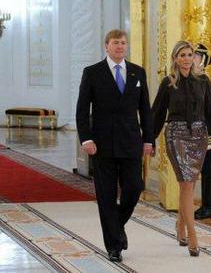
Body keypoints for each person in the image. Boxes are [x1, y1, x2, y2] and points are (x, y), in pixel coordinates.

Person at [76, 29, 154, 262]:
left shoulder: (137, 73)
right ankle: (114, 246)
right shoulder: (92, 73)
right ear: (106, 46)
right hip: (102, 144)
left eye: (123, 43)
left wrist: (148, 139)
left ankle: (116, 226)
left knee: (134, 187)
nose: (120, 46)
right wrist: (86, 139)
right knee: (106, 195)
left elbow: (145, 110)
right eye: (115, 43)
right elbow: (82, 110)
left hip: (131, 142)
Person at [152, 41, 211, 257]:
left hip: (199, 136)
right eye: (182, 55)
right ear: (175, 59)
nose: (186, 59)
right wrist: (148, 140)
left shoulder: (203, 81)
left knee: (188, 186)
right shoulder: (168, 83)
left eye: (189, 55)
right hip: (176, 136)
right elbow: (157, 113)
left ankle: (180, 226)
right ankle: (194, 236)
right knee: (186, 183)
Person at [193, 43, 211, 220]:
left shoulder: (205, 80)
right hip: (188, 130)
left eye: (195, 56)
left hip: (205, 128)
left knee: (208, 169)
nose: (191, 59)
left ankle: (208, 206)